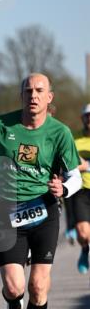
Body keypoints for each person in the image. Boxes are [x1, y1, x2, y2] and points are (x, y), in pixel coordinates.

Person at [0, 74, 82, 309]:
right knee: (14, 287)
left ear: (50, 97)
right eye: (28, 91)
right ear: (21, 96)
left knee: (38, 287)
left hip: (44, 212)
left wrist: (64, 189)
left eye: (39, 91)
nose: (33, 96)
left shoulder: (59, 132)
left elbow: (75, 175)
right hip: (9, 213)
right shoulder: (1, 126)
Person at [73, 103, 90, 273]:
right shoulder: (74, 137)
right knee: (83, 234)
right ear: (83, 119)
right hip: (81, 190)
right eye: (88, 116)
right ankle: (85, 249)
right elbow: (68, 160)